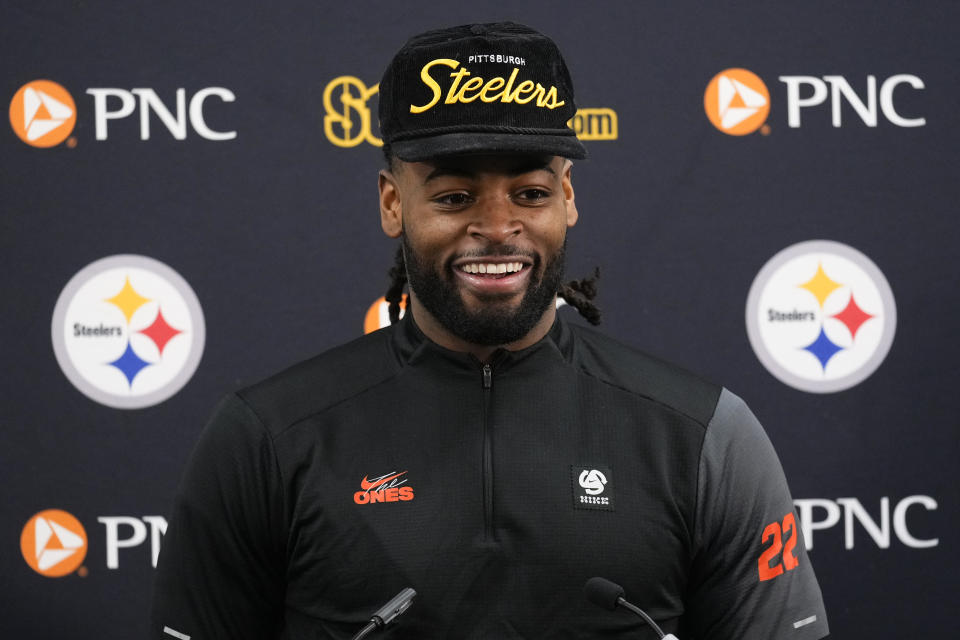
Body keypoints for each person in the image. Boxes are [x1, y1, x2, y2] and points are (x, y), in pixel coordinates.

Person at [151, 22, 829, 640]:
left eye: (530, 193)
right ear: (393, 204)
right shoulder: (267, 438)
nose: (498, 225)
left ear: (568, 199)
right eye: (453, 196)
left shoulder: (706, 435)